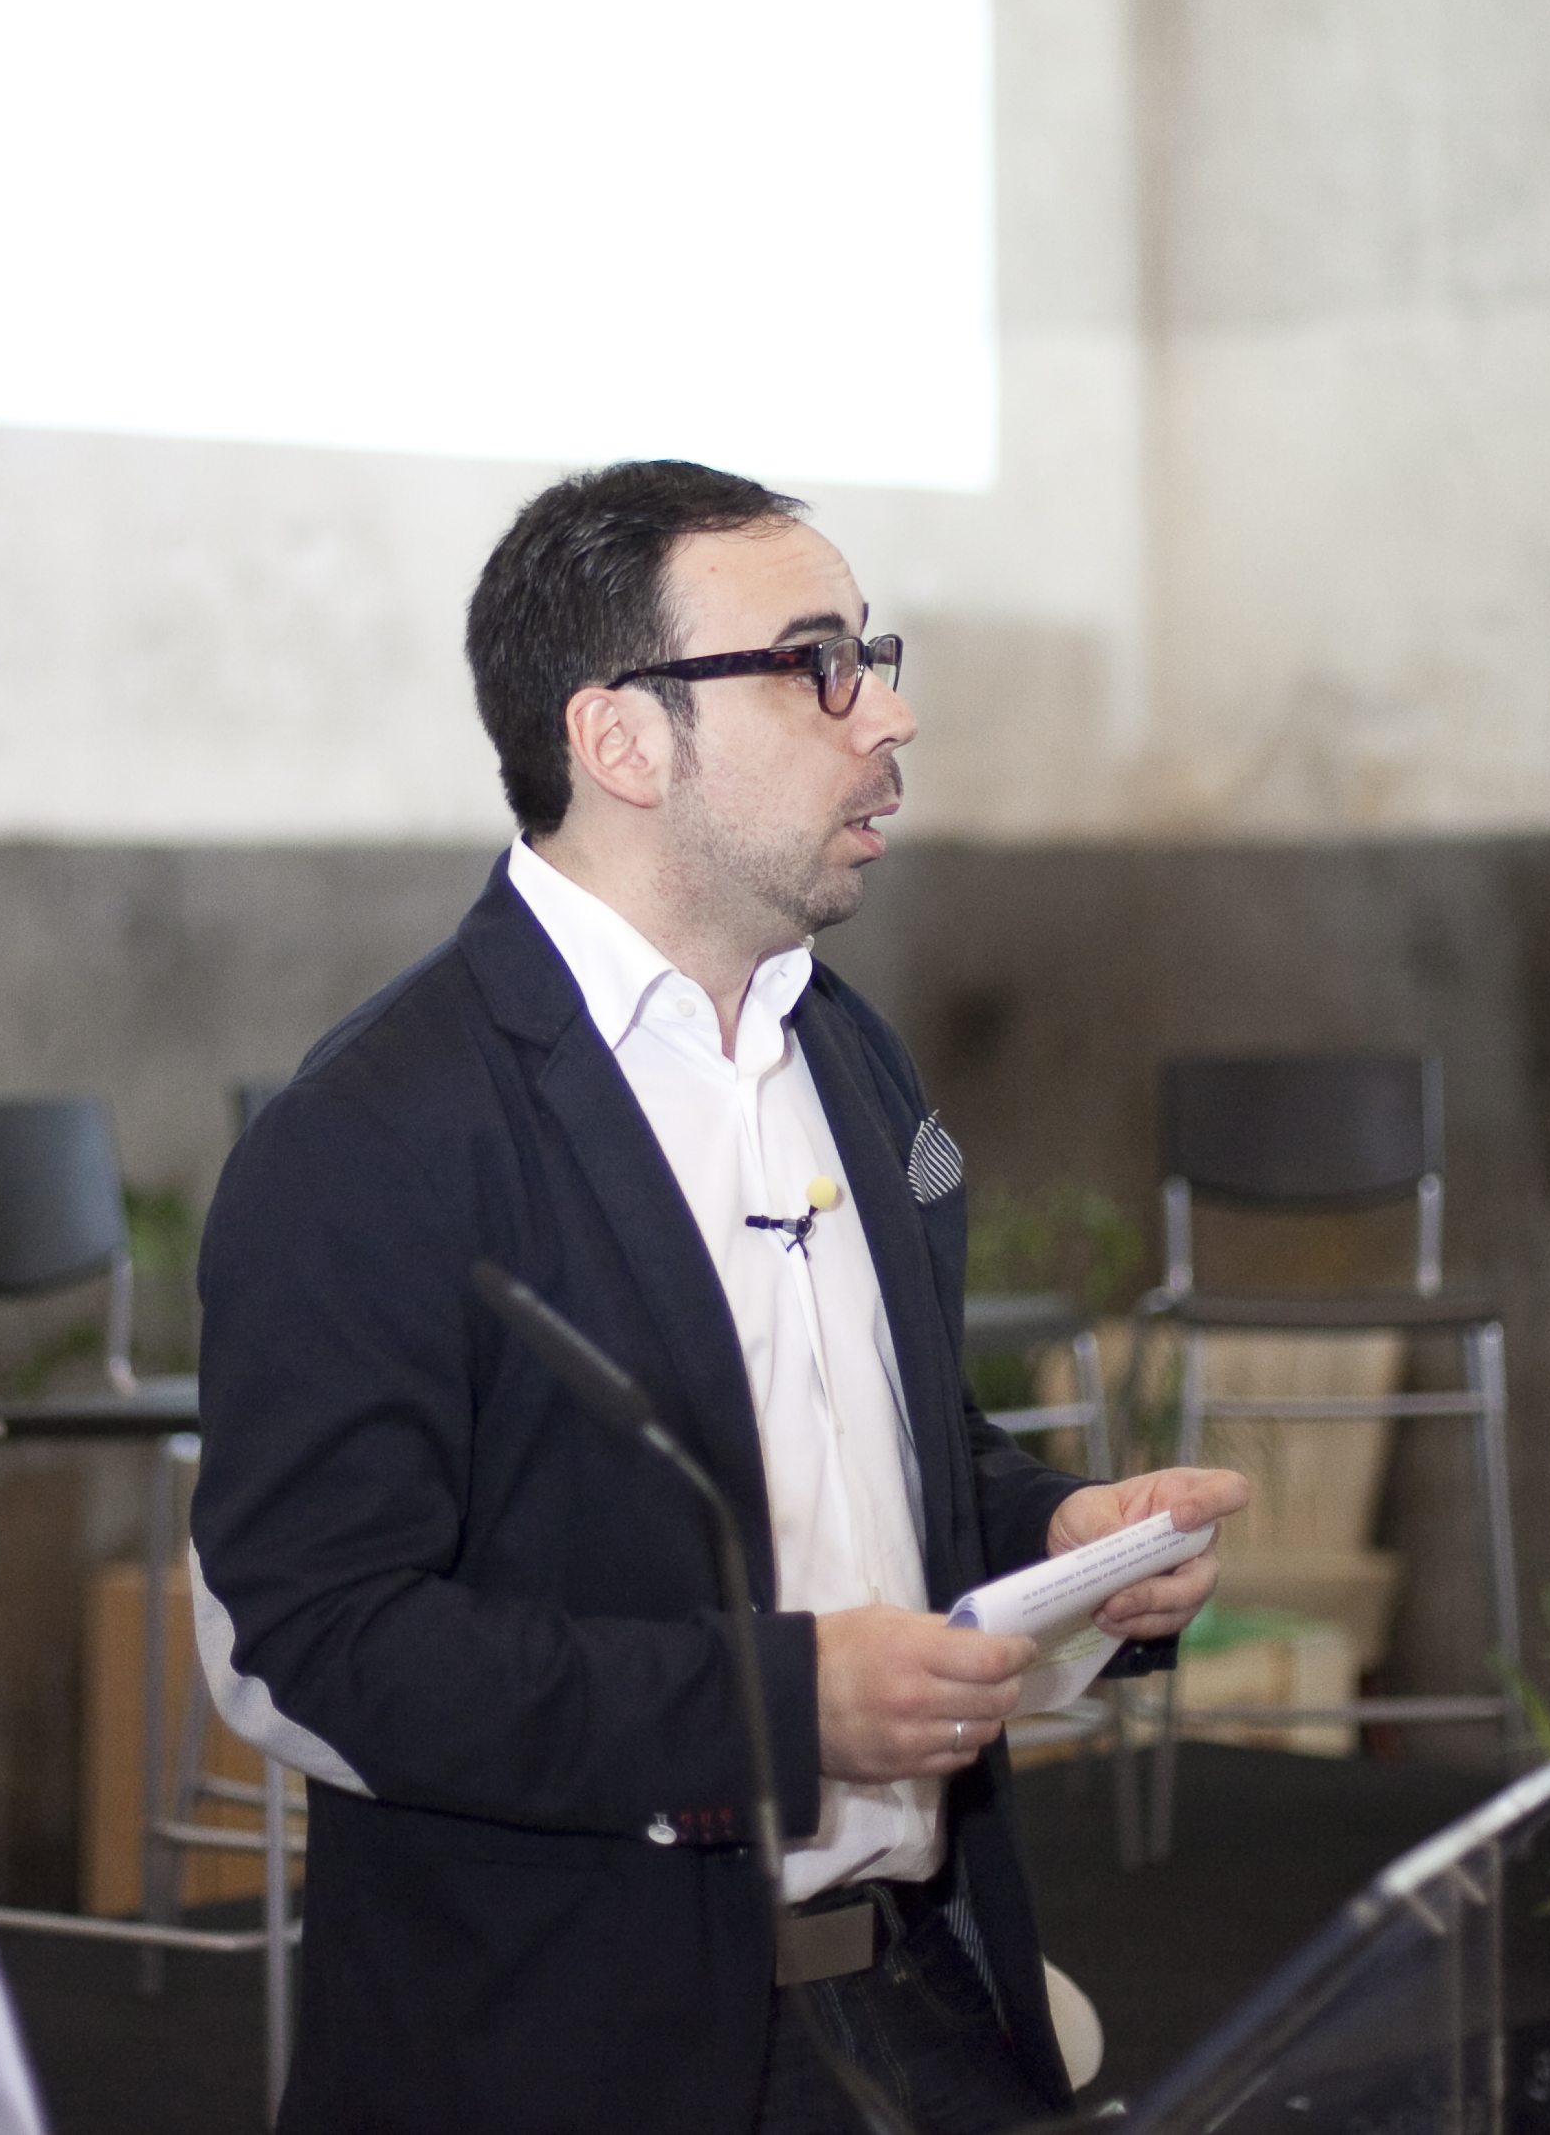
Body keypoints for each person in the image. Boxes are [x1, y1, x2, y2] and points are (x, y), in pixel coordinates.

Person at [192, 461, 1252, 2135]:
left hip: (920, 1990)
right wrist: (773, 1710)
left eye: (872, 654)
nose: (887, 713)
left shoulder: (845, 1053)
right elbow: (304, 1645)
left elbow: (880, 1460)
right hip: (572, 2048)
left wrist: (1058, 1546)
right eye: (816, 663)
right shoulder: (378, 1130)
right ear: (621, 739)